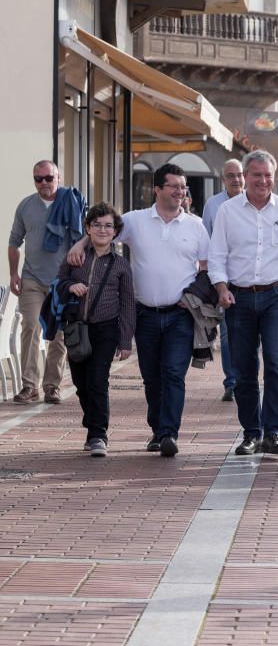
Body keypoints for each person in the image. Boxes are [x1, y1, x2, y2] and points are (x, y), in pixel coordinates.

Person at [68, 163, 210, 457]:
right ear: (157, 189)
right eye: (173, 186)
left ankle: (169, 433)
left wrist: (192, 295)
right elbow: (105, 230)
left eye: (183, 187)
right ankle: (158, 429)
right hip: (144, 313)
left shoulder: (196, 226)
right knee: (152, 377)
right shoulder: (135, 220)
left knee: (173, 373)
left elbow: (207, 268)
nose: (180, 191)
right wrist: (82, 242)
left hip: (180, 314)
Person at [209, 150, 278, 457]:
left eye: (268, 175)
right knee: (243, 369)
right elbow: (217, 255)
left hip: (277, 295)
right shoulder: (227, 211)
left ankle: (273, 433)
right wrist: (222, 288)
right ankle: (252, 433)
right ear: (245, 176)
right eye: (256, 174)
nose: (263, 181)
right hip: (238, 297)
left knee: (277, 364)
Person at [58, 203, 135, 457]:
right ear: (88, 228)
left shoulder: (121, 265)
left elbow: (127, 305)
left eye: (108, 226)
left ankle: (98, 434)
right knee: (80, 382)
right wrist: (71, 286)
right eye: (97, 225)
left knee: (97, 380)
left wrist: (125, 341)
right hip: (77, 329)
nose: (103, 230)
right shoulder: (75, 257)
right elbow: (58, 284)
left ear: (115, 231)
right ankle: (92, 421)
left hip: (106, 330)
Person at [8, 160, 72, 404]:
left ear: (58, 177)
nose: (44, 183)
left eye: (48, 177)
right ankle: (29, 385)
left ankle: (52, 386)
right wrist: (14, 274)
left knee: (58, 335)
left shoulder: (71, 203)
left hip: (62, 281)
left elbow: (84, 238)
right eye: (38, 179)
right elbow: (14, 242)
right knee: (31, 327)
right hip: (32, 279)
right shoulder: (25, 206)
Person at [201, 158, 245, 401]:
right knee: (228, 334)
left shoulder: (255, 202)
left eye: (239, 175)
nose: (236, 180)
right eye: (231, 176)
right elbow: (208, 241)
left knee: (250, 336)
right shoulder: (213, 205)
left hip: (250, 280)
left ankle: (246, 378)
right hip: (223, 281)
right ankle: (231, 381)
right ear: (223, 179)